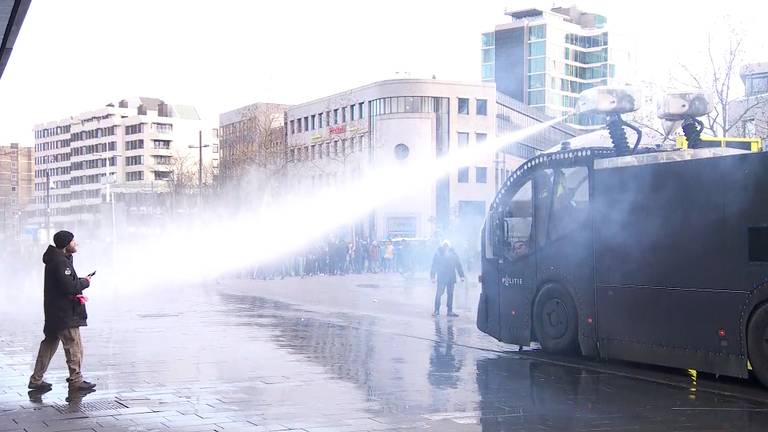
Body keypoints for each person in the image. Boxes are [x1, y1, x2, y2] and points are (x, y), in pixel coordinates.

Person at [29, 230, 97, 392]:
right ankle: (76, 380)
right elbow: (70, 287)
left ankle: (36, 379)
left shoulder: (58, 260)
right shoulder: (60, 262)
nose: (76, 243)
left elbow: (65, 283)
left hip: (54, 312)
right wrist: (85, 282)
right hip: (65, 313)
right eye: (73, 241)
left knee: (49, 344)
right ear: (66, 244)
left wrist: (78, 280)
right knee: (74, 346)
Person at [430, 240, 465, 317]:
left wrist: (461, 276)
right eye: (444, 246)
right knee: (439, 294)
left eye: (447, 246)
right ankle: (436, 310)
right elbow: (434, 266)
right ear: (442, 247)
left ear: (449, 247)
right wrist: (432, 277)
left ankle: (449, 311)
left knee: (450, 294)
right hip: (441, 277)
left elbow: (458, 265)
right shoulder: (438, 254)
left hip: (451, 278)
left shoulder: (453, 254)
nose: (446, 248)